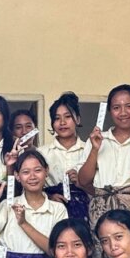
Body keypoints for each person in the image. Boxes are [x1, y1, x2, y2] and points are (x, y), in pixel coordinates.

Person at [78, 84, 130, 258]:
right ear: (109, 111)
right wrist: (95, 150)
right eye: (116, 107)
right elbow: (83, 180)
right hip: (101, 209)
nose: (123, 112)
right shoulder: (98, 139)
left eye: (129, 106)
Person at [0, 149, 67, 258]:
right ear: (17, 176)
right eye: (26, 172)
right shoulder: (8, 206)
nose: (32, 176)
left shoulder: (58, 209)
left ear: (47, 171)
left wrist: (23, 223)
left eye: (37, 170)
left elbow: (55, 250)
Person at [43, 92, 92, 222]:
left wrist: (81, 183)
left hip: (85, 212)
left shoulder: (90, 150)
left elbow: (99, 189)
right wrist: (49, 197)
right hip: (52, 212)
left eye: (68, 116)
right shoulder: (42, 152)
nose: (62, 122)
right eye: (57, 118)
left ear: (78, 119)